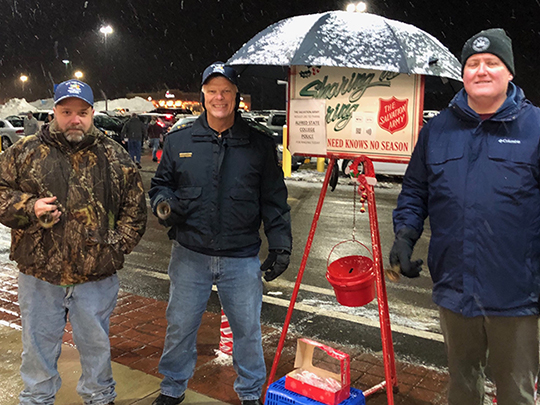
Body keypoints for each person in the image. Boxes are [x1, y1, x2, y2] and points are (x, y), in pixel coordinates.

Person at [390, 29, 540, 404]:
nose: (482, 71)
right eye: (473, 64)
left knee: (515, 391)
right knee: (461, 384)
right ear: (463, 74)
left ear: (509, 73)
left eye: (492, 63)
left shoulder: (535, 128)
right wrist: (405, 234)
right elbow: (415, 190)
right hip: (455, 289)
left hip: (516, 292)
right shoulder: (438, 130)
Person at [149, 62, 292, 405]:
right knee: (180, 327)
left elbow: (274, 199)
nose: (219, 97)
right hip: (190, 254)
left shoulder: (258, 144)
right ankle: (171, 389)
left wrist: (281, 246)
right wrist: (164, 202)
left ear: (236, 96)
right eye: (212, 90)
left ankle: (249, 393)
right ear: (202, 95)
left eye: (226, 90)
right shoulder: (179, 141)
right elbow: (160, 186)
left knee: (247, 332)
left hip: (241, 257)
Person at [0, 79, 147, 404]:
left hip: (96, 279)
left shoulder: (115, 156)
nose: (74, 118)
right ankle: (37, 399)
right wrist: (28, 207)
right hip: (39, 277)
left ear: (92, 113)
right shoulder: (24, 152)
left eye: (82, 112)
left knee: (96, 350)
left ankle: (99, 398)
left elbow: (135, 211)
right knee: (37, 350)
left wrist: (115, 247)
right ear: (54, 111)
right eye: (66, 111)